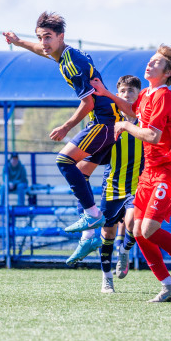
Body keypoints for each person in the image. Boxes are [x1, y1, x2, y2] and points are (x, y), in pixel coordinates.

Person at [92, 45, 171, 302]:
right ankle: (168, 285)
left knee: (150, 228)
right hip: (150, 172)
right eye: (150, 60)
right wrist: (107, 93)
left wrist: (123, 125)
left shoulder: (164, 96)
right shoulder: (146, 94)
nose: (150, 64)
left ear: (166, 73)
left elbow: (153, 135)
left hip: (168, 169)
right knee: (136, 229)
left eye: (156, 63)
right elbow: (133, 111)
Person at [3, 12, 118, 240]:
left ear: (60, 36)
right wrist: (17, 42)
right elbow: (40, 50)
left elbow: (88, 103)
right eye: (40, 37)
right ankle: (89, 235)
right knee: (81, 173)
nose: (43, 43)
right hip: (105, 121)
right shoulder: (65, 54)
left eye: (48, 37)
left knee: (64, 161)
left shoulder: (72, 65)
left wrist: (66, 127)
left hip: (105, 122)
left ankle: (93, 216)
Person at [65, 75, 144, 295]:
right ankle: (106, 279)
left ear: (139, 94)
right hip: (112, 186)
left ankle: (126, 250)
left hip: (137, 186)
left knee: (133, 223)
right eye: (123, 91)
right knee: (107, 234)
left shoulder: (144, 123)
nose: (127, 94)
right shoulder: (110, 125)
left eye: (132, 91)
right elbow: (90, 162)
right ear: (117, 94)